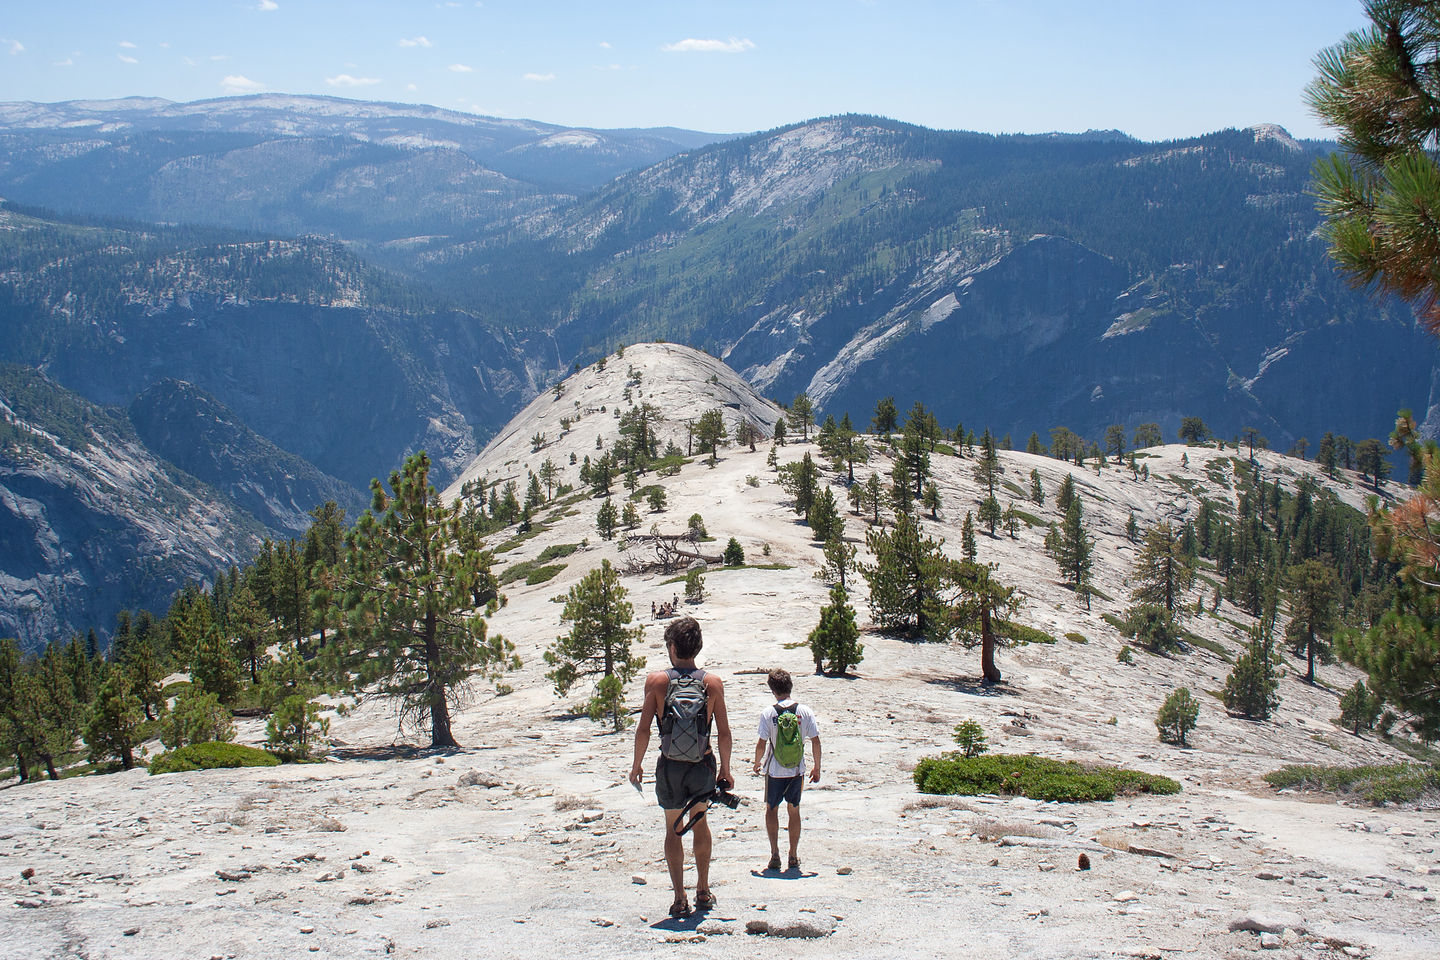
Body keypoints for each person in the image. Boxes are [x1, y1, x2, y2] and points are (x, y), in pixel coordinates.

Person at [630, 616, 733, 918]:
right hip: (702, 764)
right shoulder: (712, 683)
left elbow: (644, 728)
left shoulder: (656, 682)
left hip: (670, 766)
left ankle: (679, 898)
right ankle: (703, 889)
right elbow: (724, 732)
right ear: (697, 648)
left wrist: (636, 765)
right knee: (700, 823)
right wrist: (726, 770)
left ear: (672, 647)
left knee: (672, 829)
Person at [751, 668, 821, 873]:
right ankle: (793, 855)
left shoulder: (768, 713)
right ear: (790, 686)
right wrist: (817, 767)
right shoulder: (805, 712)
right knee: (794, 809)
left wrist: (757, 763)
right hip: (797, 770)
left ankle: (775, 854)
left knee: (772, 809)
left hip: (774, 770)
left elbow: (762, 743)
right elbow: (815, 741)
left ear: (772, 690)